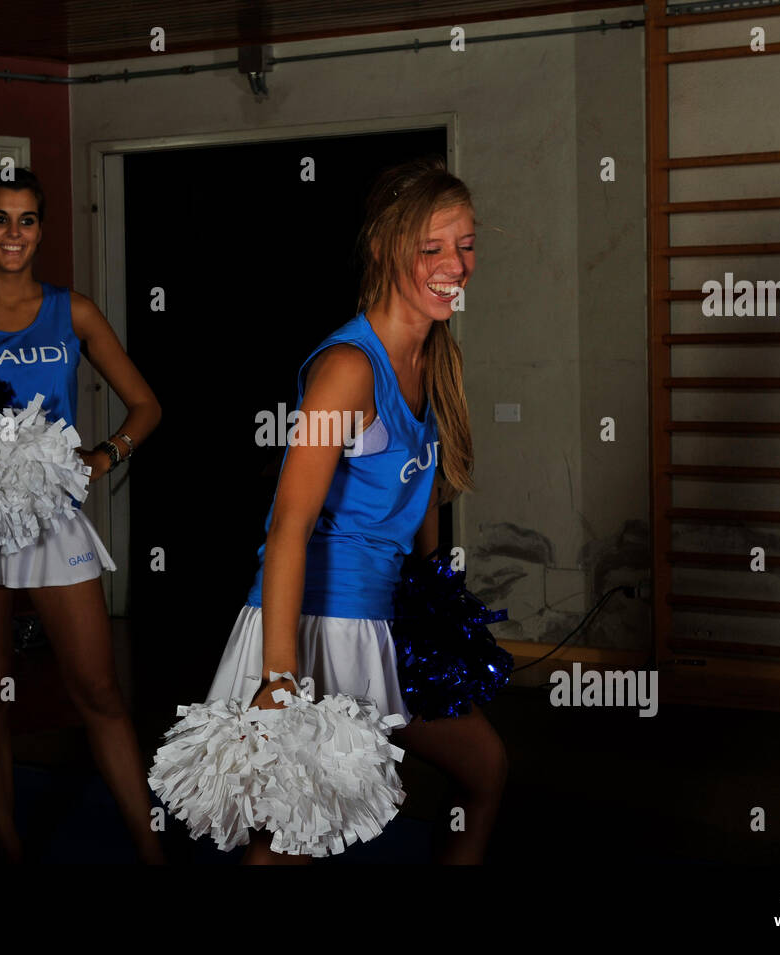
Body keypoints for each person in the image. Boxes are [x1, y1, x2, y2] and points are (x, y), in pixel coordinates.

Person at [206, 156, 509, 864]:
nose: (454, 265)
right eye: (430, 248)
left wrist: (437, 604)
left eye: (465, 244)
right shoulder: (346, 369)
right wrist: (280, 678)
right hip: (315, 626)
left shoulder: (436, 356)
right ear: (383, 247)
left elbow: (420, 490)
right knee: (289, 841)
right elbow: (288, 523)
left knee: (486, 769)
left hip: (385, 621)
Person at [0, 168, 164, 863]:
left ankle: (151, 849)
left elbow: (147, 405)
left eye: (25, 220)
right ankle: (9, 846)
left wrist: (105, 455)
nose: (12, 233)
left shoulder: (71, 311)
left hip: (54, 520)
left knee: (100, 689)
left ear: (41, 230)